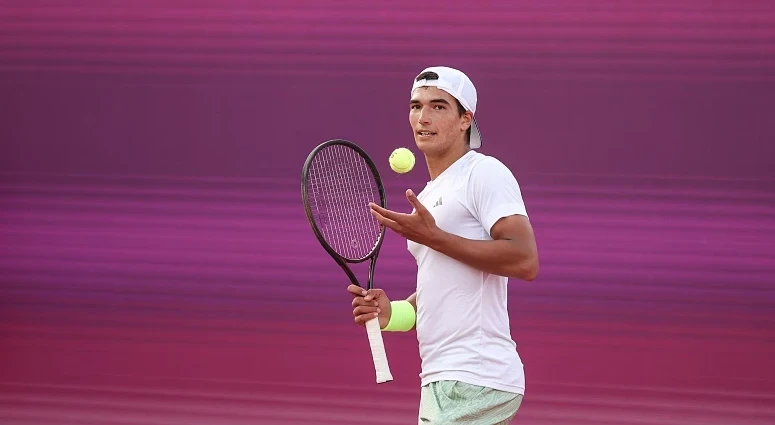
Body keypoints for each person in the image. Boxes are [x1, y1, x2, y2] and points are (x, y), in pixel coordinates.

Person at [348, 66, 539, 424]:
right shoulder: (427, 195)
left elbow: (524, 259)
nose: (423, 117)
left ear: (466, 119)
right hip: (443, 377)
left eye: (438, 106)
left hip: (474, 375)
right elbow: (444, 289)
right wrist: (395, 314)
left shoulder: (483, 172)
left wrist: (434, 237)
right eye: (415, 106)